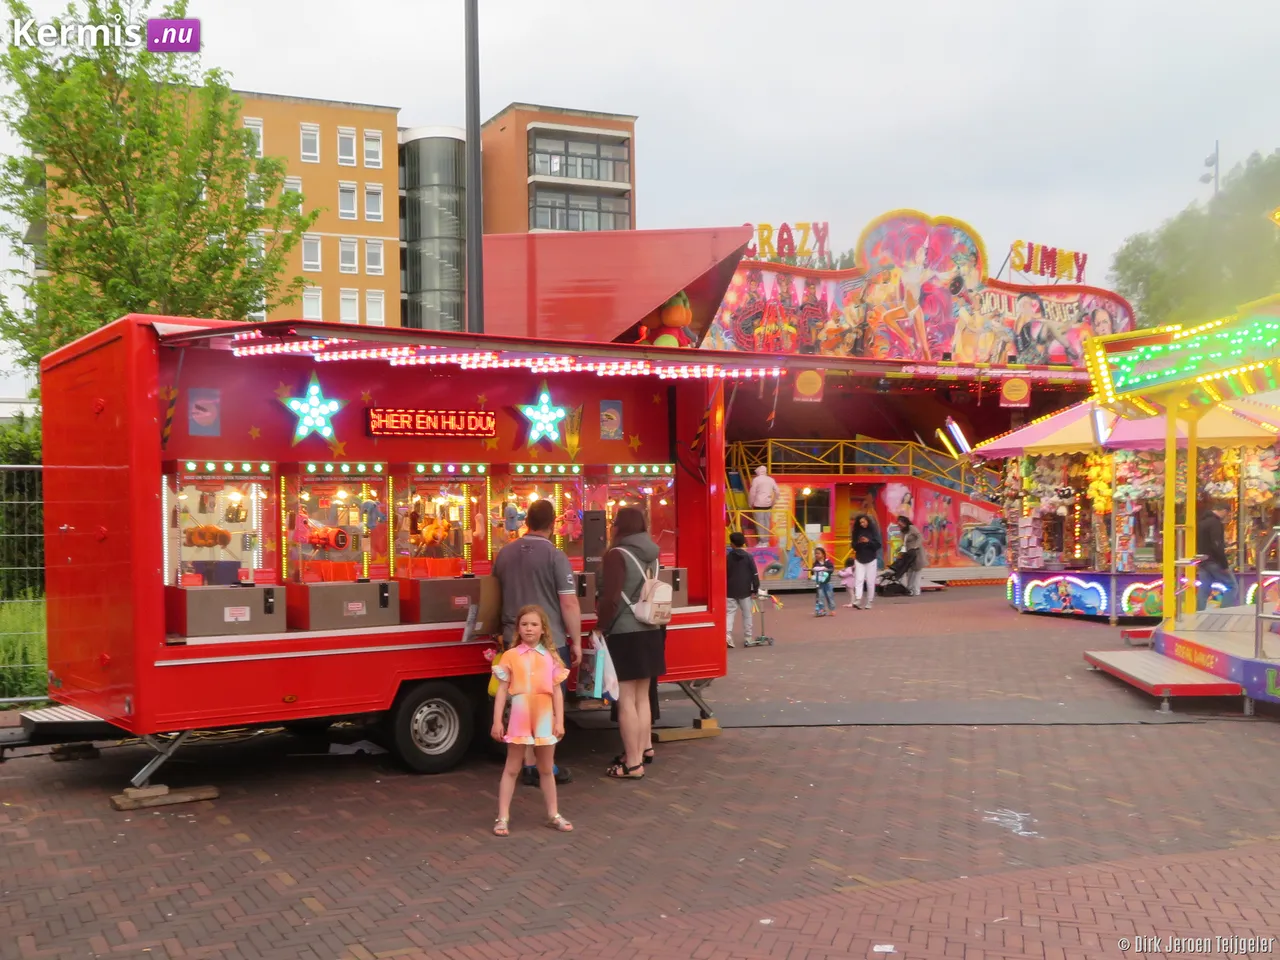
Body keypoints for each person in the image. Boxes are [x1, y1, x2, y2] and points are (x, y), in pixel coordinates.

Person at [491, 498, 581, 786]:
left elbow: (494, 595)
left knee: (522, 704)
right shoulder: (556, 556)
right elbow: (568, 602)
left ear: (526, 520)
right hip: (548, 641)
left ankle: (526, 763)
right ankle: (545, 767)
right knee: (548, 704)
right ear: (553, 523)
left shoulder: (504, 553)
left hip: (513, 640)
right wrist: (576, 640)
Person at [490, 605, 573, 837]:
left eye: (534, 624)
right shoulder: (510, 656)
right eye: (524, 624)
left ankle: (554, 814)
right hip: (520, 713)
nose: (529, 628)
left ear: (543, 629)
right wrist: (497, 721)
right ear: (518, 628)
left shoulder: (551, 657)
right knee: (512, 767)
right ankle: (502, 817)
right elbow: (502, 691)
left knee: (546, 767)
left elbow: (557, 692)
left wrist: (560, 721)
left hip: (545, 714)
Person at [596, 506, 665, 780]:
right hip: (651, 629)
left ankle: (632, 763)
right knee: (642, 697)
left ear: (619, 526)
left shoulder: (617, 555)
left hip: (625, 632)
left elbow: (611, 598)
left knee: (625, 700)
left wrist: (601, 626)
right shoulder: (654, 554)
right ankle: (642, 750)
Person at [1197, 501, 1238, 609]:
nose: (1227, 517)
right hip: (1214, 561)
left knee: (1204, 589)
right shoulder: (1215, 523)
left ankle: (1198, 612)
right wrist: (1224, 565)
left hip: (1202, 560)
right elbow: (1217, 545)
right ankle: (1225, 611)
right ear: (1224, 511)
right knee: (1232, 586)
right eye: (1228, 514)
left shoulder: (1202, 522)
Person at [726, 531, 760, 648]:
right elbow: (754, 574)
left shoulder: (727, 557)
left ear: (732, 544)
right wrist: (755, 589)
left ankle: (727, 635)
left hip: (730, 590)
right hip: (745, 590)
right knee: (747, 614)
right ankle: (748, 637)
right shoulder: (748, 557)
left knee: (729, 613)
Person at [848, 514, 882, 609]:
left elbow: (878, 545)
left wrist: (868, 541)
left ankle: (870, 601)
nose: (862, 524)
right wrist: (859, 542)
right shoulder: (857, 532)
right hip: (859, 558)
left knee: (870, 581)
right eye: (860, 522)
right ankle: (858, 599)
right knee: (859, 579)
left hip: (871, 558)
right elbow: (853, 545)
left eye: (864, 522)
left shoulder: (873, 531)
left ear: (868, 521)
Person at [746, 466, 780, 545]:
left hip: (758, 505)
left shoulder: (756, 480)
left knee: (759, 523)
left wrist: (750, 503)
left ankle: (762, 541)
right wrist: (773, 502)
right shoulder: (771, 480)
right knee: (767, 523)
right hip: (768, 505)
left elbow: (752, 493)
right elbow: (777, 492)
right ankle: (766, 541)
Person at [899, 515, 926, 596]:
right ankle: (909, 588)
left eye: (901, 524)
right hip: (909, 553)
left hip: (916, 552)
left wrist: (915, 546)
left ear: (905, 523)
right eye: (898, 525)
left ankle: (916, 590)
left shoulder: (911, 528)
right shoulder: (902, 531)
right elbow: (904, 543)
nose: (899, 526)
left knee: (917, 571)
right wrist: (901, 552)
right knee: (910, 571)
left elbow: (920, 537)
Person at [810, 546, 836, 616]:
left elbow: (832, 569)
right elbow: (812, 572)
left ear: (823, 554)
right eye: (815, 553)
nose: (816, 555)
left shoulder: (827, 562)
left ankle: (832, 609)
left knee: (830, 597)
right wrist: (813, 570)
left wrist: (826, 569)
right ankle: (822, 610)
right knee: (820, 597)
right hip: (819, 584)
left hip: (827, 583)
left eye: (818, 553)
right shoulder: (815, 563)